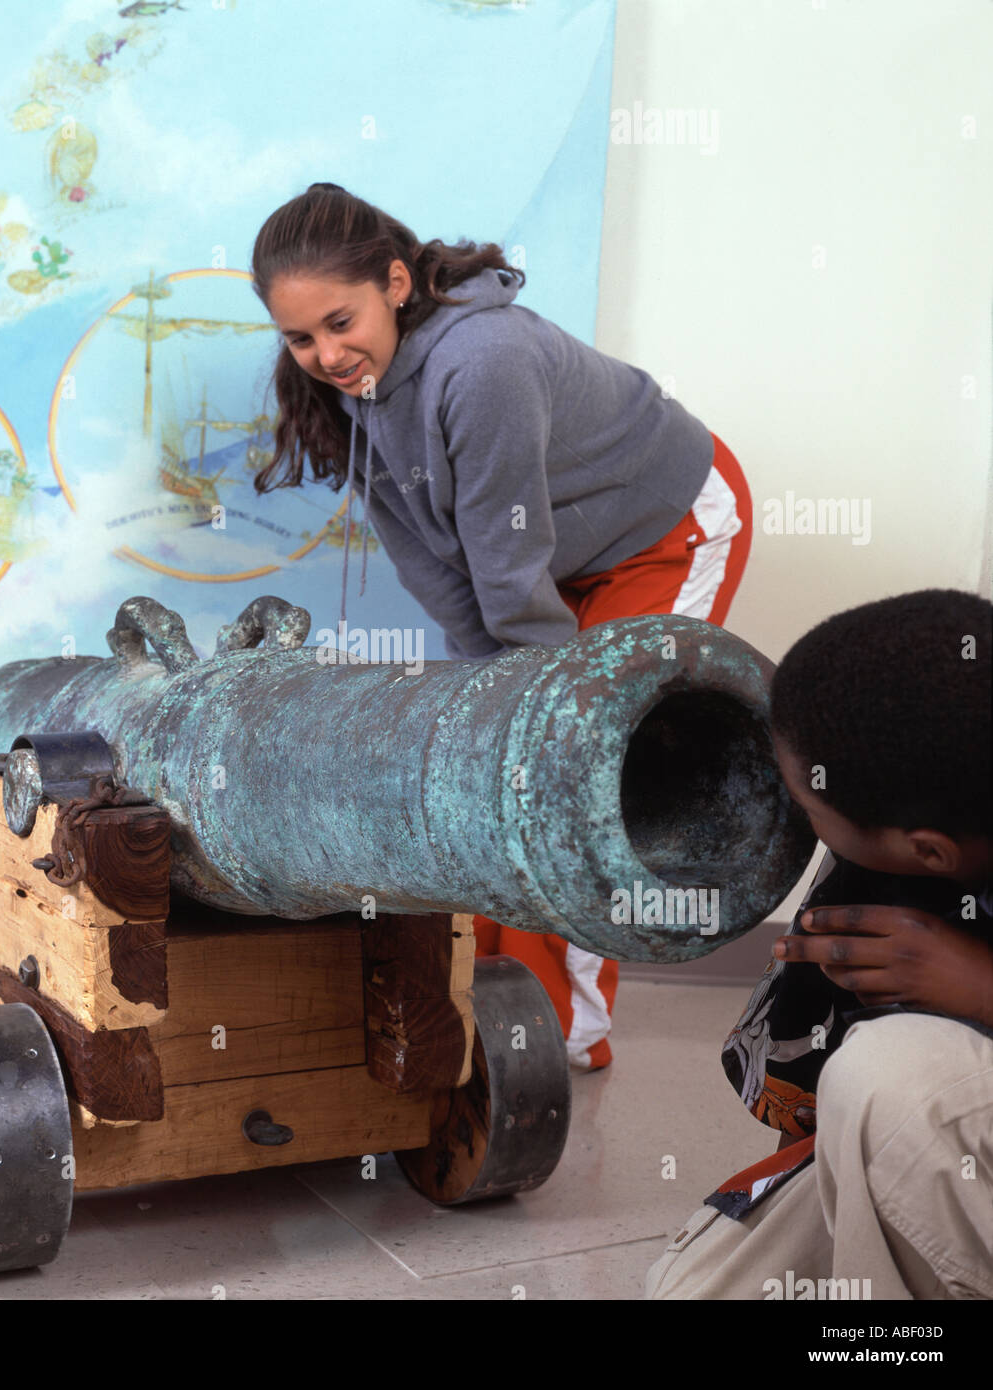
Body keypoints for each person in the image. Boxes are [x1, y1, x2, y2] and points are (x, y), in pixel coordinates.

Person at [250, 182, 751, 1070]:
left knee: (577, 771)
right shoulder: (354, 386)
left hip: (664, 531)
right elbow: (428, 560)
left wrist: (524, 710)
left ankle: (568, 1034)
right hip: (554, 558)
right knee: (503, 773)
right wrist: (494, 705)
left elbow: (504, 557)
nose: (324, 353)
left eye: (339, 321)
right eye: (299, 337)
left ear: (396, 283)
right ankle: (490, 1001)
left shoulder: (480, 363)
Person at [646, 589, 993, 1300]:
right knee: (691, 1294)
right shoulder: (891, 857)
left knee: (889, 1083)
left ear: (928, 852)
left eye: (807, 807)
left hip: (932, 1105)